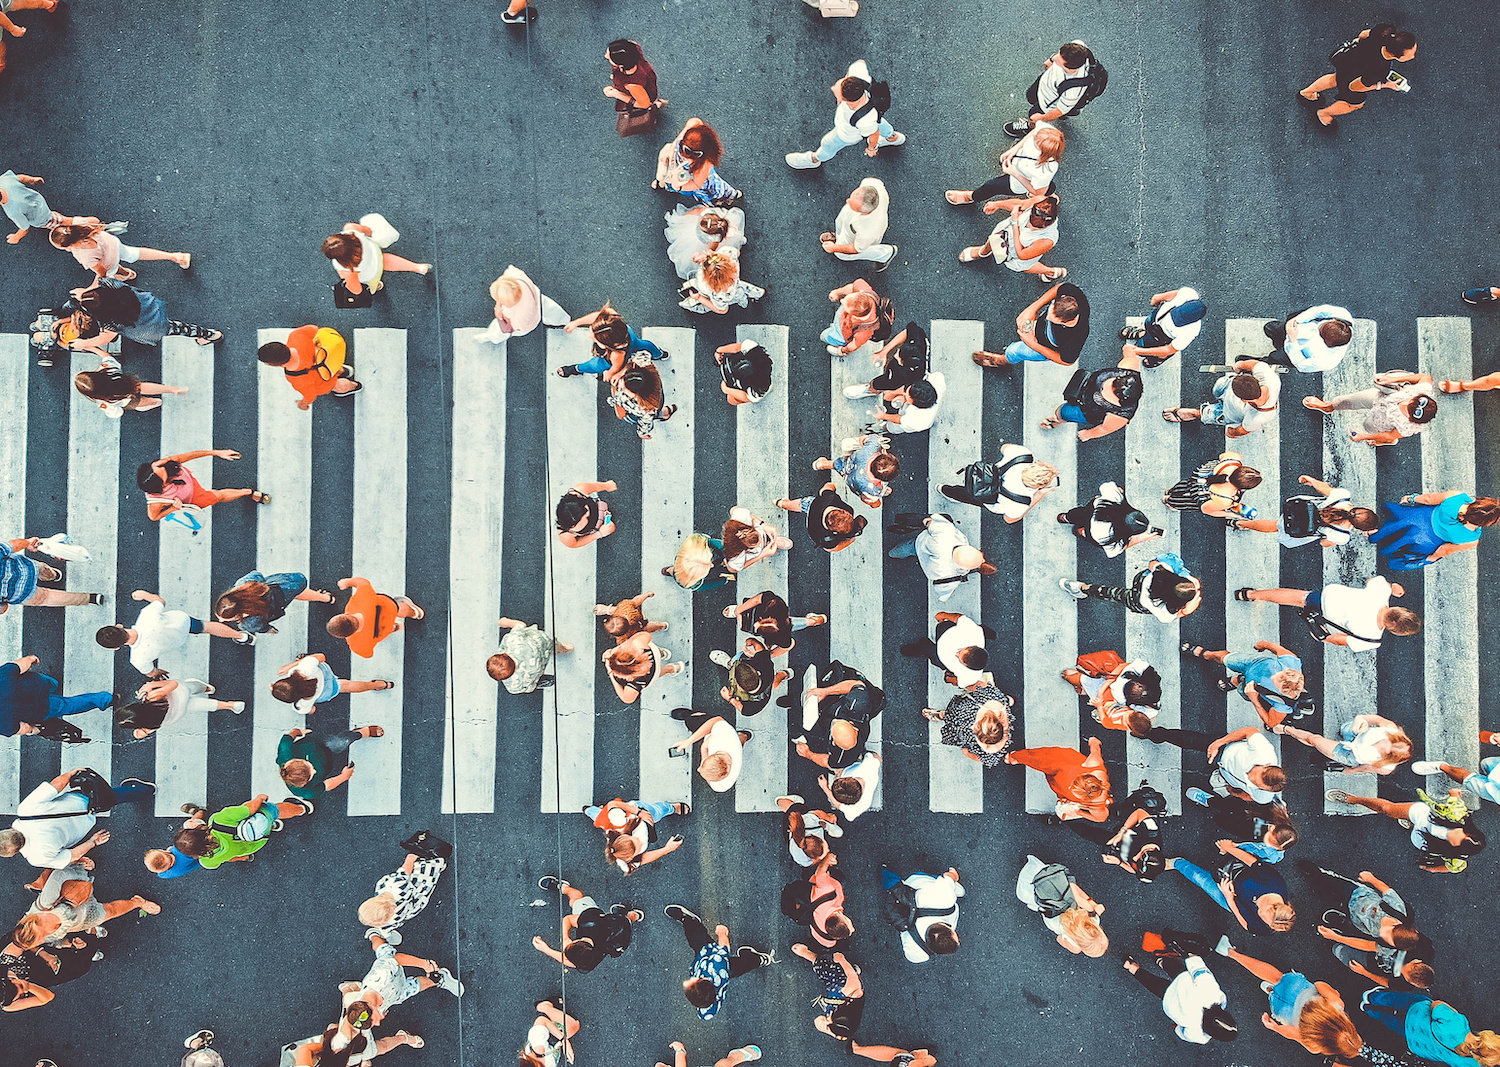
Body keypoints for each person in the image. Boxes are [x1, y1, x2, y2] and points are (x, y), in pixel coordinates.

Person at [1214, 939, 1362, 1058]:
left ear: (1350, 1027)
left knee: (1276, 977)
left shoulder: (1337, 1004)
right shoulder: (1315, 1045)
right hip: (1286, 1013)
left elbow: (1319, 984)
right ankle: (1271, 991)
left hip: (1297, 989)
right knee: (1275, 998)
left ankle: (1231, 953)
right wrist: (1275, 1027)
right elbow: (1291, 1033)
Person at [1302, 864, 1435, 991]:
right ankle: (1319, 876)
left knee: (1343, 947)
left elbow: (1368, 945)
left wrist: (1364, 972)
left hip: (1365, 937)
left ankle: (1338, 926)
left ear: (1409, 981)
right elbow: (1388, 892)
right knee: (1336, 885)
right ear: (1417, 960)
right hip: (1361, 898)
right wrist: (1371, 879)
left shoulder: (1387, 948)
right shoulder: (1421, 946)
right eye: (1388, 932)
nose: (1382, 932)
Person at [0, 769, 155, 868]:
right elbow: (56, 785)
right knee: (113, 796)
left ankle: (139, 791)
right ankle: (147, 790)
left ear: (15, 852)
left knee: (112, 799)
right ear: (10, 830)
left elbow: (73, 855)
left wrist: (93, 841)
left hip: (85, 825)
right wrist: (71, 773)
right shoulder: (25, 811)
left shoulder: (37, 858)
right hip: (80, 800)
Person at [1325, 786, 1486, 874]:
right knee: (1386, 808)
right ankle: (1351, 799)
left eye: (1458, 839)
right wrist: (1455, 793)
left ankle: (1409, 823)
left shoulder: (1458, 858)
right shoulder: (1459, 816)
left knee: (1411, 830)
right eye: (1463, 832)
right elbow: (1454, 796)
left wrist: (1431, 869)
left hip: (1421, 837)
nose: (1458, 833)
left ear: (1455, 847)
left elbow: (1450, 868)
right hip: (1425, 816)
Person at [1236, 577, 1420, 653]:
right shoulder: (1371, 640)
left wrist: (1392, 587)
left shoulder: (1381, 592)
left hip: (1330, 595)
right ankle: (1252, 595)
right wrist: (1324, 638)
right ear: (1396, 631)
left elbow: (1372, 580)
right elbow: (1339, 639)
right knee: (1302, 603)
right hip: (1329, 615)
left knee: (1300, 597)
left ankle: (1252, 594)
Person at [786, 60, 904, 170]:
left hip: (848, 133)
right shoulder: (859, 78)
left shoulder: (864, 120)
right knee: (879, 121)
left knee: (828, 144)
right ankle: (892, 137)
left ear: (848, 101)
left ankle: (815, 159)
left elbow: (874, 133)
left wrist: (871, 148)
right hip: (873, 115)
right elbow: (860, 62)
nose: (834, 89)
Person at [96, 589, 241, 678]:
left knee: (204, 628)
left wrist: (158, 672)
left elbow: (151, 672)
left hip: (176, 641)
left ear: (116, 647)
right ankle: (242, 636)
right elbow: (160, 601)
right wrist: (144, 595)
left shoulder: (137, 659)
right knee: (207, 627)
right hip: (182, 622)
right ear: (119, 626)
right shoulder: (146, 615)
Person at [664, 904, 775, 1019]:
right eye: (691, 982)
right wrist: (722, 932)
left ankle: (688, 921)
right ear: (703, 979)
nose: (686, 982)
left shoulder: (706, 1012)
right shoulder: (716, 966)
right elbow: (724, 948)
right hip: (712, 960)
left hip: (708, 965)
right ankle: (759, 959)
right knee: (739, 965)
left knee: (696, 940)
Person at [1300, 24, 1418, 130]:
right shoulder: (1380, 70)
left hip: (1349, 60)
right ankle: (1323, 114)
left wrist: (1358, 42)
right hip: (1354, 75)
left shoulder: (1385, 32)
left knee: (1335, 78)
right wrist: (1385, 85)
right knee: (1356, 104)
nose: (1413, 57)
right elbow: (1356, 87)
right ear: (1395, 55)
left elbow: (1363, 34)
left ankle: (1307, 93)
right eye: (1411, 54)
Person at [1123, 934, 1237, 1044]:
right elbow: (1182, 1032)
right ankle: (1130, 966)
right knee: (1152, 983)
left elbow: (1200, 972)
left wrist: (1192, 956)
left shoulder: (1213, 995)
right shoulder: (1200, 1036)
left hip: (1183, 980)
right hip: (1170, 1001)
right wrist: (1177, 1027)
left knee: (1173, 967)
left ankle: (1161, 960)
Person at [50, 278, 222, 350]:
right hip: (148, 306)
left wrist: (82, 344)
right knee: (174, 327)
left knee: (174, 329)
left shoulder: (108, 323)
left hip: (147, 327)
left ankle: (211, 335)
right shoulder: (110, 286)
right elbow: (101, 279)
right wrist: (86, 293)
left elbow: (104, 339)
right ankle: (208, 334)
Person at [1167, 839, 1296, 934]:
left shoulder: (1265, 927)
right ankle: (1177, 863)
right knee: (1204, 878)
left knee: (1200, 879)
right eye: (1263, 911)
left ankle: (1177, 863)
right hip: (1238, 872)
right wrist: (1229, 848)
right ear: (1275, 906)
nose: (1258, 912)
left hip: (1232, 900)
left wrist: (1229, 898)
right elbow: (1253, 862)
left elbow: (1246, 924)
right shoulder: (1275, 883)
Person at [1144, 724, 1285, 804]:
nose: (1250, 778)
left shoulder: (1264, 796)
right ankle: (1157, 734)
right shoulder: (1264, 751)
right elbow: (1249, 732)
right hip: (1225, 748)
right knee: (1191, 741)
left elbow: (1251, 796)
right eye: (1256, 774)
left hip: (1224, 772)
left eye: (1256, 784)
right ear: (1267, 765)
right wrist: (1219, 743)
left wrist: (1235, 793)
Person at [1230, 474, 1378, 547]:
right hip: (1300, 527)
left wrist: (1311, 481)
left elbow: (1325, 489)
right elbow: (1324, 543)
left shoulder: (1343, 496)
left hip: (1299, 508)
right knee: (1275, 527)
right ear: (1358, 528)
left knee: (1275, 523)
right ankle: (1241, 524)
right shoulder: (1342, 537)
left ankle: (1241, 522)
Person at [1182, 642, 1309, 727]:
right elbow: (1278, 649)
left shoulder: (1285, 705)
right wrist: (1265, 644)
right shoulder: (1291, 663)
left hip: (1254, 688)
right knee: (1225, 658)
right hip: (1252, 663)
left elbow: (1270, 723)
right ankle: (1206, 654)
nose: (1274, 675)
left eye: (1276, 680)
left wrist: (1255, 700)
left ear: (1283, 691)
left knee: (1243, 688)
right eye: (1279, 674)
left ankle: (1237, 681)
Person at [945, 123, 1064, 214]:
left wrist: (1014, 173)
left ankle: (970, 197)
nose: (1033, 140)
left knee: (991, 186)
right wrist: (1013, 151)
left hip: (1017, 181)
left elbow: (1038, 192)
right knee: (1046, 185)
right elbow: (1032, 133)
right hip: (1017, 162)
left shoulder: (1044, 171)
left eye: (1036, 144)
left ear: (1044, 153)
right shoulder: (1047, 133)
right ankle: (1050, 194)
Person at [173, 793, 314, 869]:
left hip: (256, 842)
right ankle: (302, 809)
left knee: (262, 828)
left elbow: (230, 859)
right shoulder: (218, 820)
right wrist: (259, 799)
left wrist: (244, 857)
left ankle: (271, 827)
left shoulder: (207, 862)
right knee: (274, 810)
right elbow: (250, 809)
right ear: (199, 829)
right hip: (254, 820)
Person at [532, 875, 641, 971]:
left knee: (627, 921)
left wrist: (546, 949)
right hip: (614, 925)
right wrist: (565, 939)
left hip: (619, 937)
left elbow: (570, 962)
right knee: (576, 897)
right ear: (579, 940)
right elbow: (568, 919)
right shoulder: (589, 922)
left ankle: (635, 915)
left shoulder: (591, 958)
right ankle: (563, 887)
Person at [1360, 992, 1500, 1067]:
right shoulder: (1471, 1065)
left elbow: (1436, 1005)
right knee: (1389, 1021)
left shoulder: (1458, 1024)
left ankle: (1372, 997)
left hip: (1417, 1013)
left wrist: (1452, 1010)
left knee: (1397, 1000)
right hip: (1415, 1042)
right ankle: (1368, 1009)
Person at [1303, 370, 1438, 447]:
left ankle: (1388, 442)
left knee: (1368, 426)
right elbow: (1425, 377)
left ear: (1411, 418)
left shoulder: (1407, 426)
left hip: (1383, 421)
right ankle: (1328, 407)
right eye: (1410, 401)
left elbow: (1389, 433)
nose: (1404, 403)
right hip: (1380, 398)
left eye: (1406, 408)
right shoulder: (1422, 391)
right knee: (1349, 401)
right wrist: (1389, 380)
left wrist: (1364, 436)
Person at [359, 834, 450, 944]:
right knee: (427, 870)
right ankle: (440, 864)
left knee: (424, 891)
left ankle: (386, 935)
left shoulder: (391, 918)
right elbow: (405, 871)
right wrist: (411, 858)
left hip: (412, 907)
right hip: (417, 884)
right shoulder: (387, 887)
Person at [347, 934, 463, 1021]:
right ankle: (439, 979)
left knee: (383, 950)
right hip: (397, 993)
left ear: (371, 1006)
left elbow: (397, 959)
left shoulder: (381, 976)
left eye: (374, 1021)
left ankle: (375, 934)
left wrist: (425, 964)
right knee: (414, 987)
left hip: (390, 970)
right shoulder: (362, 1009)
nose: (378, 1023)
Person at [1372, 491, 1499, 569]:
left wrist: (1411, 498)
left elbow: (1428, 499)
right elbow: (1446, 549)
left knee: (1398, 523)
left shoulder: (1458, 496)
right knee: (1406, 546)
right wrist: (1431, 558)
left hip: (1419, 516)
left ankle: (1377, 532)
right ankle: (1387, 548)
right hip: (1425, 540)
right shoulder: (1472, 539)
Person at [1060, 553, 1202, 623]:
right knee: (1113, 594)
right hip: (1137, 601)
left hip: (1142, 580)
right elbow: (1173, 616)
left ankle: (1082, 588)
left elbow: (1153, 564)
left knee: (1171, 559)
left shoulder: (1163, 572)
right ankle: (1083, 589)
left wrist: (1186, 577)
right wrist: (1187, 611)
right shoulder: (1165, 611)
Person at [973, 282, 1088, 367]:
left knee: (1014, 350)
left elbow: (1066, 361)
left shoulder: (1077, 336)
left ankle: (1001, 361)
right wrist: (1032, 309)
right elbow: (1060, 287)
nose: (1047, 318)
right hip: (1042, 333)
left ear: (1064, 322)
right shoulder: (1073, 296)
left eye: (1052, 319)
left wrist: (1032, 344)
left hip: (1045, 347)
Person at [796, 661, 885, 772]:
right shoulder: (858, 704)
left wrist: (808, 754)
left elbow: (828, 762)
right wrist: (826, 691)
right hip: (848, 699)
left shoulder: (845, 757)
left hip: (833, 707)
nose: (835, 721)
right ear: (854, 728)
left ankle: (798, 704)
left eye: (834, 725)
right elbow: (856, 684)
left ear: (834, 742)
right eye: (839, 721)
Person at [886, 512, 996, 602]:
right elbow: (942, 589)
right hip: (927, 563)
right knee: (909, 550)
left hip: (920, 544)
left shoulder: (947, 533)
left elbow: (930, 522)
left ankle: (892, 553)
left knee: (906, 548)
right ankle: (893, 554)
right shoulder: (952, 574)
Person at [136, 450, 267, 524]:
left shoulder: (160, 465)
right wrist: (172, 509)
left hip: (187, 481)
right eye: (166, 479)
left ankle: (248, 493)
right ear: (161, 487)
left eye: (164, 469)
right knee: (218, 496)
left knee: (216, 495)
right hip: (192, 497)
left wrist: (217, 453)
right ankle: (247, 492)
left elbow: (188, 456)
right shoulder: (156, 502)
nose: (169, 471)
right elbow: (153, 517)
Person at [1002, 41, 1101, 137]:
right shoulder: (1078, 46)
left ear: (1070, 69)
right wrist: (1051, 61)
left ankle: (1029, 128)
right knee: (1030, 96)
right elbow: (1058, 56)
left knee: (1033, 116)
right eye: (1058, 53)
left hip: (1047, 104)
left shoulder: (1073, 91)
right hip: (1044, 84)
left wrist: (1042, 118)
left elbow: (1060, 110)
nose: (1055, 57)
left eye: (1058, 60)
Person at [1015, 855, 1108, 957]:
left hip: (1052, 879)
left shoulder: (1093, 918)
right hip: (1047, 902)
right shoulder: (1074, 946)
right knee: (1042, 902)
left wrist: (1092, 903)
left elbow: (1077, 893)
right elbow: (1059, 939)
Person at [1042, 348, 1143, 440]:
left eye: (1113, 392)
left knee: (1063, 412)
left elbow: (1105, 429)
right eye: (1113, 382)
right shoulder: (1129, 369)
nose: (1104, 388)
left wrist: (1088, 434)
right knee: (1064, 408)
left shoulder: (1122, 414)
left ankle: (1058, 420)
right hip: (1083, 387)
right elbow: (1129, 350)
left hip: (1087, 411)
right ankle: (1057, 419)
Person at [0, 656, 113, 738]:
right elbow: (20, 665)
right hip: (37, 684)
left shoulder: (2, 725)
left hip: (42, 708)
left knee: (69, 705)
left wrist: (36, 730)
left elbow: (25, 728)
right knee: (49, 683)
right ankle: (54, 685)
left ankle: (105, 700)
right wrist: (31, 659)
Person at [1163, 360, 1280, 438]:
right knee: (1220, 385)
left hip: (1231, 412)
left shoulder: (1258, 418)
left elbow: (1240, 431)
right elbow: (1255, 364)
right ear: (1257, 381)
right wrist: (1239, 365)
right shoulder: (1270, 379)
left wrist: (1231, 432)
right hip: (1228, 392)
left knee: (1210, 414)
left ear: (1243, 400)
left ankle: (1196, 413)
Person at [941, 444, 1060, 521]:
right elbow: (1009, 519)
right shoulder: (1021, 503)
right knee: (969, 496)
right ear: (1039, 486)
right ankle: (946, 491)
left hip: (986, 475)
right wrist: (1038, 496)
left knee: (964, 489)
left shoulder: (1023, 455)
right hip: (988, 497)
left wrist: (1043, 466)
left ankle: (944, 490)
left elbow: (1004, 447)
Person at [322, 214, 431, 298]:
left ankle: (377, 286)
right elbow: (367, 231)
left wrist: (346, 282)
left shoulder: (348, 269)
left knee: (369, 283)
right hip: (375, 252)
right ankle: (417, 267)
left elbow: (357, 290)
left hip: (372, 273)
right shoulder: (351, 230)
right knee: (386, 259)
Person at [214, 571, 333, 645]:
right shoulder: (243, 583)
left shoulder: (248, 623)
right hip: (282, 584)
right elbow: (258, 575)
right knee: (296, 592)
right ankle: (326, 598)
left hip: (280, 602)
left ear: (237, 615)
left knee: (295, 595)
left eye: (226, 619)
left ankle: (324, 598)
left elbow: (262, 627)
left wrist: (269, 630)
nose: (221, 621)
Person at [1007, 738, 1112, 822]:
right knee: (1042, 757)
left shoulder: (1096, 768)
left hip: (1065, 772)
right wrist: (1094, 743)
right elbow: (1095, 751)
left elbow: (1101, 818)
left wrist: (1079, 812)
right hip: (1065, 763)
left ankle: (1017, 757)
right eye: (1074, 785)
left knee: (1042, 760)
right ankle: (1017, 757)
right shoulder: (1096, 803)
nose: (1070, 786)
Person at [960, 196, 1064, 280]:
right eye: (1030, 221)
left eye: (1035, 227)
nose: (1029, 226)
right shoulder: (1039, 202)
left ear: (1046, 226)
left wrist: (1015, 223)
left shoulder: (1047, 240)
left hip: (1016, 252)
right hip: (1006, 232)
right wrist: (997, 204)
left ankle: (1050, 272)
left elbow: (1022, 254)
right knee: (994, 239)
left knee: (1025, 267)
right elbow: (1020, 204)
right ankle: (983, 252)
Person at [257, 326, 361, 409]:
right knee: (332, 368)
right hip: (325, 358)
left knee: (337, 384)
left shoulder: (296, 378)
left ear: (276, 364)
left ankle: (354, 386)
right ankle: (343, 370)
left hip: (324, 380)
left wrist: (303, 403)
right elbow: (314, 329)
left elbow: (310, 395)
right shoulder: (296, 336)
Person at [559, 303, 667, 382]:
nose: (589, 336)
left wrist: (609, 373)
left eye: (596, 340)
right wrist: (577, 323)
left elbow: (616, 367)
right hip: (629, 335)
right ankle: (659, 354)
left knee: (594, 365)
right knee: (642, 345)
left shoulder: (616, 355)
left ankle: (576, 369)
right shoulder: (611, 317)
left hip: (612, 358)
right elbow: (598, 317)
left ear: (612, 346)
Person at [1062, 651, 1161, 736]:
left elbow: (1105, 721)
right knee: (1085, 682)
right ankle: (1083, 687)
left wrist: (1099, 702)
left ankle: (1076, 680)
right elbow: (1123, 666)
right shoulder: (1146, 678)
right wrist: (1103, 689)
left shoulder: (1120, 699)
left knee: (1073, 677)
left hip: (1106, 699)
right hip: (1107, 691)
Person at [1277, 714, 1411, 776]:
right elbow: (1375, 719)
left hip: (1349, 753)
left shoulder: (1385, 768)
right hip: (1355, 733)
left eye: (1383, 748)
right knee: (1344, 729)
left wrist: (1351, 771)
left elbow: (1366, 768)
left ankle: (1287, 730)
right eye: (1387, 740)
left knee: (1315, 740)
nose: (1381, 742)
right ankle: (1343, 731)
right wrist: (1361, 719)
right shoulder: (1390, 729)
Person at [48, 221, 190, 279]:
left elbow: (101, 271)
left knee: (112, 271)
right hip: (113, 243)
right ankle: (176, 256)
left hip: (110, 261)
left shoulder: (83, 256)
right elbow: (94, 220)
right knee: (135, 253)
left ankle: (127, 274)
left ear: (70, 246)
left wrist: (94, 285)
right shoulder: (80, 227)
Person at [276, 725, 385, 799]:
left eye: (309, 767)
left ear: (298, 760)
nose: (314, 771)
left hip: (319, 744)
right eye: (311, 775)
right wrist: (343, 777)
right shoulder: (305, 792)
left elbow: (291, 735)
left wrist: (299, 732)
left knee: (340, 742)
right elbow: (327, 785)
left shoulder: (285, 749)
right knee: (338, 747)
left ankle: (360, 732)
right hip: (326, 767)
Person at [586, 798, 689, 876]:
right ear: (631, 857)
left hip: (640, 813)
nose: (640, 841)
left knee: (657, 812)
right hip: (645, 825)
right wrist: (667, 849)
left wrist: (639, 812)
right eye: (637, 847)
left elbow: (613, 804)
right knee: (598, 816)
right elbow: (643, 858)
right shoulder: (625, 863)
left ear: (625, 836)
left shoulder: (619, 821)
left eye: (634, 839)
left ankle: (673, 808)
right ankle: (588, 810)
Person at [881, 866, 963, 963]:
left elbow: (949, 876)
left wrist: (954, 875)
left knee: (960, 891)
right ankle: (884, 872)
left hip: (914, 883)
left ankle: (883, 871)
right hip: (906, 910)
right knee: (960, 892)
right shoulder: (918, 952)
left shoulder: (945, 899)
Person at [327, 577, 423, 658]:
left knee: (384, 628)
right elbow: (363, 583)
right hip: (389, 607)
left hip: (382, 630)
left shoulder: (356, 645)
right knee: (400, 608)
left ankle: (394, 627)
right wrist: (347, 582)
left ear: (347, 635)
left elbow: (368, 654)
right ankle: (416, 613)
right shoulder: (357, 603)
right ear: (346, 614)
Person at [116, 677, 244, 738]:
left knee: (199, 705)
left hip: (178, 712)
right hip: (180, 694)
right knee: (191, 686)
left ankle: (231, 705)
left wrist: (138, 731)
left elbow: (139, 734)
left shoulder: (149, 725)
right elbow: (173, 684)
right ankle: (207, 688)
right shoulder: (152, 697)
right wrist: (153, 684)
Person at [1184, 789, 1299, 857]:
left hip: (1243, 829)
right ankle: (1209, 800)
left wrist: (1232, 847)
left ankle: (1217, 805)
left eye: (1273, 845)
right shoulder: (1275, 809)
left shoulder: (1272, 851)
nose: (1267, 843)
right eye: (1269, 840)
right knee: (1225, 805)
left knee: (1222, 821)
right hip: (1245, 809)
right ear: (1272, 828)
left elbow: (1248, 847)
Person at [1057, 481, 1160, 555]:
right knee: (1085, 533)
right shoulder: (1109, 536)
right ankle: (1079, 531)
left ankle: (1066, 518)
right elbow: (1112, 553)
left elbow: (1105, 486)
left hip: (1092, 511)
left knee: (1078, 513)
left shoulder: (1114, 501)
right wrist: (1139, 539)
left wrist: (1119, 491)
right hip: (1092, 532)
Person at [655, 117, 741, 206]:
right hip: (681, 172)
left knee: (714, 191)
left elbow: (697, 184)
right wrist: (673, 146)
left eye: (695, 155)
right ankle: (664, 183)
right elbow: (694, 121)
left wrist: (678, 186)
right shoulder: (686, 140)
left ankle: (731, 197)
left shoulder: (706, 163)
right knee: (669, 175)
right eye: (686, 151)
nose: (688, 158)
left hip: (692, 181)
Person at [477, 265, 570, 346]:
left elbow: (507, 329)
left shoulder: (513, 315)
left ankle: (491, 337)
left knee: (498, 331)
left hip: (531, 320)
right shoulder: (515, 275)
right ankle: (563, 319)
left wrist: (499, 317)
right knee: (551, 309)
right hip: (535, 297)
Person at [922, 685, 1014, 767]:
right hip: (969, 713)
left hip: (968, 712)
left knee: (954, 717)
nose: (972, 726)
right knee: (954, 716)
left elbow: (974, 685)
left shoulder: (992, 698)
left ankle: (943, 715)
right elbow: (967, 752)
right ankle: (942, 715)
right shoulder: (992, 755)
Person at [271, 654, 392, 715]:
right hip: (324, 674)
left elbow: (312, 710)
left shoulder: (300, 706)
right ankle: (378, 684)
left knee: (346, 687)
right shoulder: (304, 670)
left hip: (326, 691)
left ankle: (377, 685)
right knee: (312, 660)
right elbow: (321, 657)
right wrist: (291, 665)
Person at [1162, 451, 1263, 523]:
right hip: (1197, 497)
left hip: (1196, 481)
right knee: (1180, 502)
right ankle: (1169, 501)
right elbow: (1207, 510)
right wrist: (1234, 515)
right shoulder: (1225, 500)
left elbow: (1222, 455)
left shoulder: (1233, 460)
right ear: (1244, 488)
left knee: (1182, 486)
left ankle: (1170, 491)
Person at [1119, 287, 1206, 368]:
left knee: (1146, 346)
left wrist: (1138, 351)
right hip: (1155, 319)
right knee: (1147, 323)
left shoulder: (1190, 333)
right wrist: (1157, 299)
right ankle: (1143, 334)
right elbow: (1166, 296)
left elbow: (1168, 349)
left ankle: (1159, 358)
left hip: (1162, 337)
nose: (1173, 318)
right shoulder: (1189, 294)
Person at [73, 355, 187, 417]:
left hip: (127, 401)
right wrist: (93, 349)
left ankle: (154, 402)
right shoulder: (106, 369)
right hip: (127, 384)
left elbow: (116, 413)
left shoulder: (103, 402)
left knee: (146, 402)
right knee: (144, 386)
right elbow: (109, 359)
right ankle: (173, 389)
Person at [902, 610, 994, 687]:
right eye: (960, 651)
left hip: (938, 655)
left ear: (967, 666)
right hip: (945, 631)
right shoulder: (974, 632)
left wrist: (949, 679)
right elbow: (959, 618)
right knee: (942, 626)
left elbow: (957, 682)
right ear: (974, 646)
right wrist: (943, 615)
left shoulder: (972, 677)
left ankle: (913, 649)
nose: (956, 654)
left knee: (925, 648)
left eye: (959, 659)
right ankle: (990, 633)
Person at [669, 708, 751, 792]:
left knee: (738, 744)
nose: (698, 769)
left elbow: (704, 747)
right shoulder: (727, 736)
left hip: (721, 741)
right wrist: (688, 741)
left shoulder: (719, 787)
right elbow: (717, 720)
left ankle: (743, 736)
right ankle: (693, 715)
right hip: (724, 736)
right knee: (692, 722)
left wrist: (704, 748)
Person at [844, 321, 928, 399]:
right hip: (906, 368)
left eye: (898, 358)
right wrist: (884, 351)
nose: (895, 355)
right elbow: (907, 332)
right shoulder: (919, 339)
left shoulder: (907, 376)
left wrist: (894, 393)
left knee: (883, 383)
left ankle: (871, 389)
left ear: (903, 363)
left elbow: (907, 388)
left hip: (901, 377)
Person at [723, 590, 825, 654]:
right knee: (793, 623)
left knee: (793, 624)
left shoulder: (781, 636)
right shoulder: (776, 605)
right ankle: (816, 620)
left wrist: (765, 654)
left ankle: (815, 621)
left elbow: (789, 645)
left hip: (783, 626)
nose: (756, 624)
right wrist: (739, 610)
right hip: (784, 624)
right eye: (761, 620)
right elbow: (758, 599)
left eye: (760, 628)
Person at [823, 178, 895, 267]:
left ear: (865, 213)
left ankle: (886, 254)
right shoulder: (870, 183)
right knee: (840, 222)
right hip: (854, 224)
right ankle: (838, 237)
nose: (847, 201)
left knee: (843, 254)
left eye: (854, 206)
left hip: (864, 238)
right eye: (851, 197)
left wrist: (834, 248)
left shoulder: (867, 231)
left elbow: (856, 249)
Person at [1, 169, 87, 244]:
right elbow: (20, 178)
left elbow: (24, 228)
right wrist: (33, 179)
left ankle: (87, 224)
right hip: (37, 200)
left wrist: (16, 237)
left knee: (63, 221)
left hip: (41, 216)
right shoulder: (3, 180)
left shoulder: (13, 212)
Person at [489, 617, 572, 694]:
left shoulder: (513, 685)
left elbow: (525, 689)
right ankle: (564, 649)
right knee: (552, 644)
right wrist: (507, 622)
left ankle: (540, 681)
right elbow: (521, 625)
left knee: (530, 686)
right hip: (542, 644)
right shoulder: (513, 641)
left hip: (538, 668)